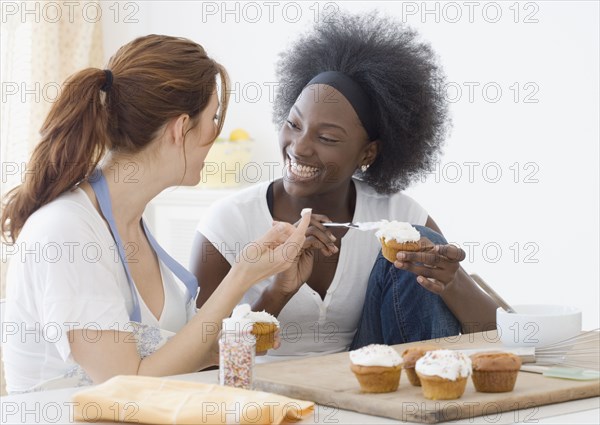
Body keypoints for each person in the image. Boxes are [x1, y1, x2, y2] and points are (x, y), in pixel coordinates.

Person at [0, 34, 311, 393]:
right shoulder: (67, 231)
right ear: (180, 128)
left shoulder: (130, 224)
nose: (215, 131)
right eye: (213, 117)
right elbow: (127, 386)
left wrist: (268, 296)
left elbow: (177, 358)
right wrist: (241, 274)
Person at [191, 11, 499, 361]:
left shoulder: (397, 214)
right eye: (293, 124)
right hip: (264, 390)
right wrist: (278, 291)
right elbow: (198, 363)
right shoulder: (228, 223)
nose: (299, 146)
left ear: (368, 152)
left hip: (367, 379)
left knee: (418, 250)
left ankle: (422, 406)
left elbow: (494, 335)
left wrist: (452, 281)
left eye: (326, 137)